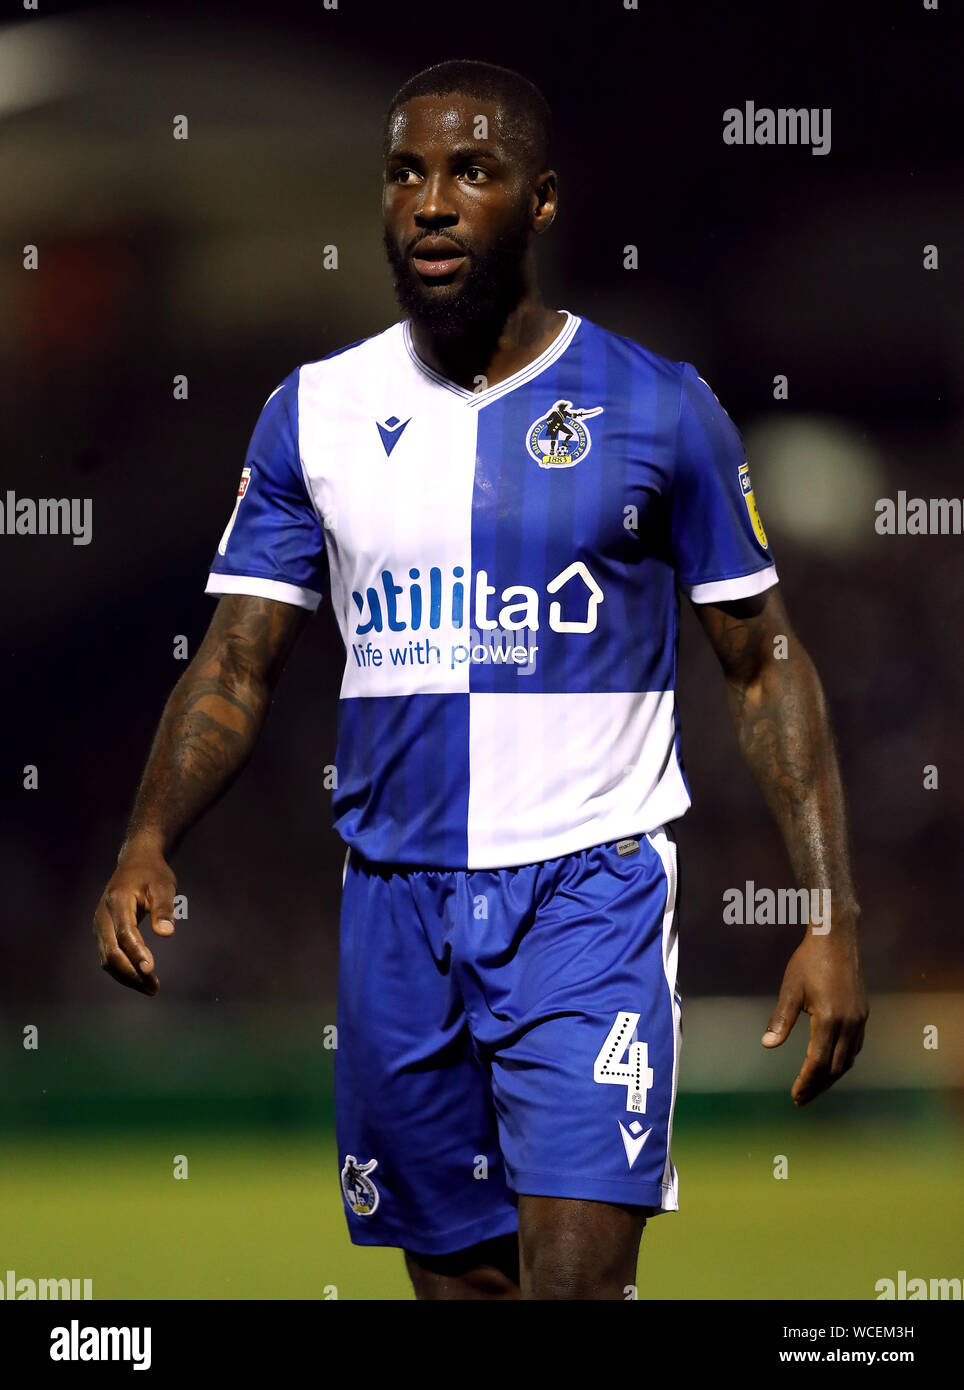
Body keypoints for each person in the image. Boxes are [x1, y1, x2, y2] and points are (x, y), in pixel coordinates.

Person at [92, 59, 868, 1301]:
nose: (433, 201)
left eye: (471, 170)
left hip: (588, 895)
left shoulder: (661, 408)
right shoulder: (315, 413)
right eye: (406, 172)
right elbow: (237, 659)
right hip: (395, 908)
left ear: (543, 200)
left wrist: (829, 913)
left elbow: (763, 656)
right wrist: (148, 836)